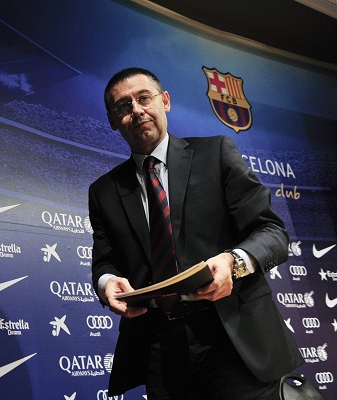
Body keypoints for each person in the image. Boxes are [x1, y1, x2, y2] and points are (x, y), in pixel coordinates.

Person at [89, 67, 303, 399]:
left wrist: (233, 262)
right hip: (160, 348)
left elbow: (272, 232)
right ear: (113, 121)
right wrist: (106, 283)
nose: (137, 110)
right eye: (123, 106)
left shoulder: (216, 153)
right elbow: (105, 262)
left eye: (144, 98)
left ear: (165, 101)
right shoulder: (103, 192)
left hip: (233, 336)